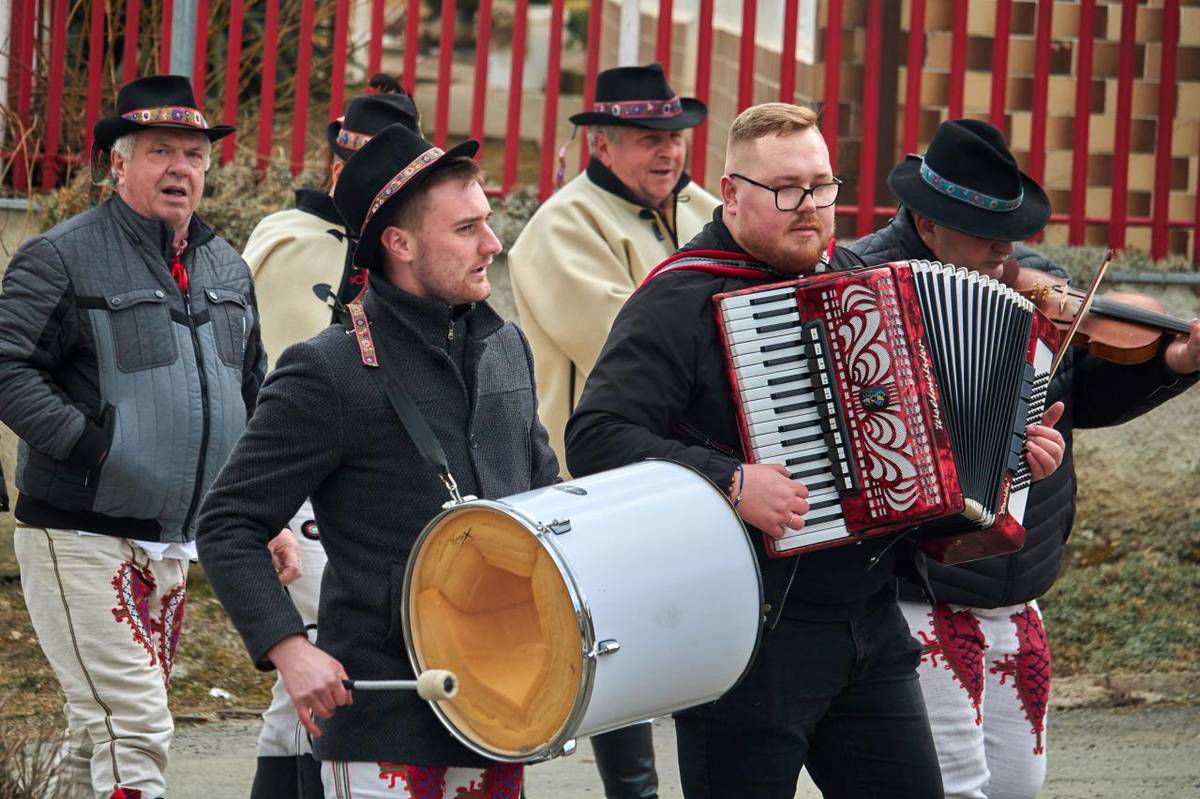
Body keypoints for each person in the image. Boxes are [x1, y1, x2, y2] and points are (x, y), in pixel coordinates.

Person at [565, 103, 1067, 799]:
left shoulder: (863, 286)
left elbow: (925, 450)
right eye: (787, 189)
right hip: (746, 637)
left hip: (869, 622)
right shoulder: (678, 298)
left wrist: (1014, 454)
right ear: (733, 194)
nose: (810, 206)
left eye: (822, 186)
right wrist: (730, 481)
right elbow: (595, 436)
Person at [196, 122, 558, 798]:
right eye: (466, 229)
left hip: (502, 706)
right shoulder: (327, 370)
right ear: (399, 243)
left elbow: (544, 501)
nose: (493, 243)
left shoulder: (506, 346)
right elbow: (228, 521)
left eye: (486, 221)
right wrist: (289, 648)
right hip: (382, 723)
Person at [847, 118, 1200, 799]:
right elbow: (871, 448)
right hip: (919, 592)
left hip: (1019, 586)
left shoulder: (1040, 286)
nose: (1007, 248)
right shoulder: (859, 290)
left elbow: (1081, 396)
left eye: (1013, 228)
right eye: (986, 232)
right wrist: (1005, 455)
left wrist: (1173, 364)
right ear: (928, 224)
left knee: (1016, 786)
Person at [0, 75, 266, 799]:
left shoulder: (227, 267)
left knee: (99, 734)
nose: (181, 167)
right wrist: (94, 447)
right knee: (135, 724)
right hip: (78, 534)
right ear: (118, 164)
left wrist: (254, 506)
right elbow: (8, 364)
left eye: (194, 153)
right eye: (159, 151)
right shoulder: (60, 256)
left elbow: (252, 387)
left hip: (173, 539)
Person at [508, 61, 717, 799]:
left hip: (698, 469)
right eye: (643, 137)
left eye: (675, 135)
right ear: (598, 144)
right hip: (600, 475)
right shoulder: (558, 227)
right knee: (616, 646)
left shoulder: (703, 209)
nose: (667, 150)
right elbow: (631, 350)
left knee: (704, 634)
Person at [240, 89, 419, 798]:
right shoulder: (287, 239)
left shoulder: (399, 246)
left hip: (368, 478)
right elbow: (259, 370)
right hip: (297, 476)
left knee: (306, 696)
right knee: (314, 677)